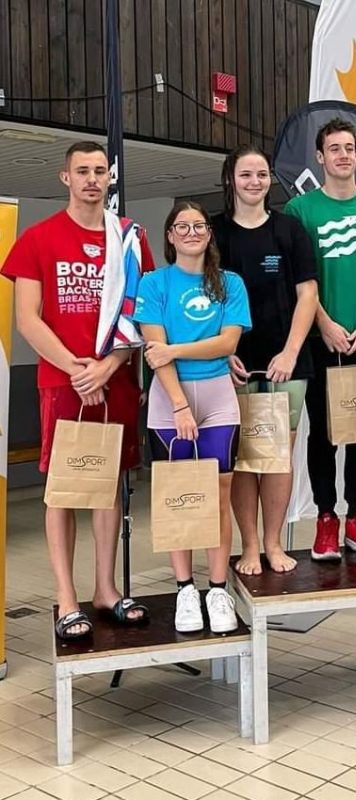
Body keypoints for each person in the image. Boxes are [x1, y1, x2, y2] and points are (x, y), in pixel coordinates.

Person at [2, 141, 154, 640]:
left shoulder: (129, 239)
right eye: (82, 171)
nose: (92, 179)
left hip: (116, 379)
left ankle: (105, 589)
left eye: (100, 171)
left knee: (109, 485)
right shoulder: (38, 238)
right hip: (62, 382)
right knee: (64, 490)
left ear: (110, 178)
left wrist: (107, 368)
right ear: (65, 177)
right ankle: (66, 598)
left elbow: (140, 314)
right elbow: (27, 318)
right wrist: (76, 370)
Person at [284, 117, 356, 560]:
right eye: (334, 148)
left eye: (349, 148)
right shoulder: (300, 210)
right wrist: (324, 324)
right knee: (322, 433)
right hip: (322, 340)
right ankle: (325, 518)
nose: (343, 155)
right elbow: (300, 280)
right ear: (320, 157)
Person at [134, 201, 251, 633]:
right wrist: (180, 405)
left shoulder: (229, 283)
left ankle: (217, 589)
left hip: (218, 396)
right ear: (169, 235)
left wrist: (176, 350)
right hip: (169, 401)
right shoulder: (154, 283)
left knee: (219, 495)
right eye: (181, 227)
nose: (191, 232)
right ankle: (185, 588)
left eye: (198, 225)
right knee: (178, 495)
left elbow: (226, 343)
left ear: (209, 233)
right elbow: (154, 352)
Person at [212, 145, 318, 575]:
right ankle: (250, 545)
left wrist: (290, 352)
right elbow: (202, 297)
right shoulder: (215, 232)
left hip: (285, 362)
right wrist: (225, 352)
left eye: (261, 175)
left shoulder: (289, 230)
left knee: (276, 456)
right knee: (242, 457)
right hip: (231, 362)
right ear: (230, 180)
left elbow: (308, 295)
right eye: (245, 175)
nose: (254, 182)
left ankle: (273, 542)